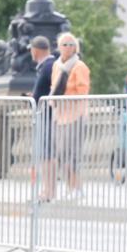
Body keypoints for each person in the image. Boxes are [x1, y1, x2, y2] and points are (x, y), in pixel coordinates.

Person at [49, 32, 91, 201]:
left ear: (76, 47)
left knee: (72, 154)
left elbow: (83, 90)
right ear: (59, 47)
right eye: (64, 44)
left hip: (75, 114)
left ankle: (77, 187)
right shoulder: (56, 65)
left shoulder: (79, 66)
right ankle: (70, 186)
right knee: (62, 154)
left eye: (71, 44)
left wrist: (64, 94)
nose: (67, 47)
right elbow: (54, 86)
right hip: (60, 115)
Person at [29, 36, 58, 201]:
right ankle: (48, 190)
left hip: (47, 116)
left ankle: (49, 191)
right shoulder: (47, 66)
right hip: (45, 114)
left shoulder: (48, 66)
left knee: (47, 155)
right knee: (46, 155)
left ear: (36, 50)